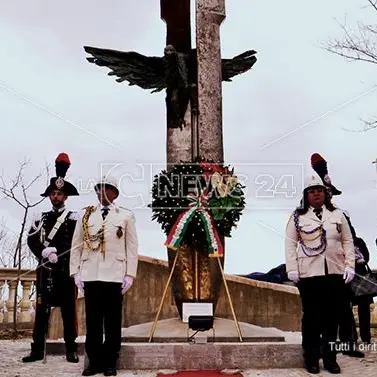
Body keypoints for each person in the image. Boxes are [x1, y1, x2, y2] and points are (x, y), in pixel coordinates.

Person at [285, 172, 355, 374]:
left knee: (332, 319)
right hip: (309, 275)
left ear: (325, 194)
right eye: (312, 191)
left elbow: (347, 241)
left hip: (335, 273)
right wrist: (292, 269)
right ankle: (311, 358)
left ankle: (331, 359)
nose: (316, 194)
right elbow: (290, 244)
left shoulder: (337, 215)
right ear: (306, 195)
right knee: (312, 319)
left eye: (319, 191)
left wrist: (350, 265)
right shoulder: (297, 217)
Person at [70, 176, 138, 376]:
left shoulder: (125, 216)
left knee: (112, 321)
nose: (100, 193)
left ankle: (110, 361)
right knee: (92, 321)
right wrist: (75, 272)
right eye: (98, 189)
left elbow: (132, 247)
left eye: (105, 189)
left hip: (115, 276)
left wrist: (130, 274)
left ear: (114, 193)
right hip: (91, 274)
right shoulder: (86, 215)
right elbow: (76, 245)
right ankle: (93, 361)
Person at [23, 153, 80, 363]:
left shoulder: (74, 218)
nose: (56, 197)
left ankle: (71, 350)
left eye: (59, 193)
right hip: (45, 270)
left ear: (65, 197)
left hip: (65, 272)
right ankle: (37, 350)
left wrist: (61, 254)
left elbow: (77, 242)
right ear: (49, 196)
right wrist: (43, 252)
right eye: (53, 193)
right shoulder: (40, 217)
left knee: (68, 312)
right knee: (41, 312)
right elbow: (31, 240)